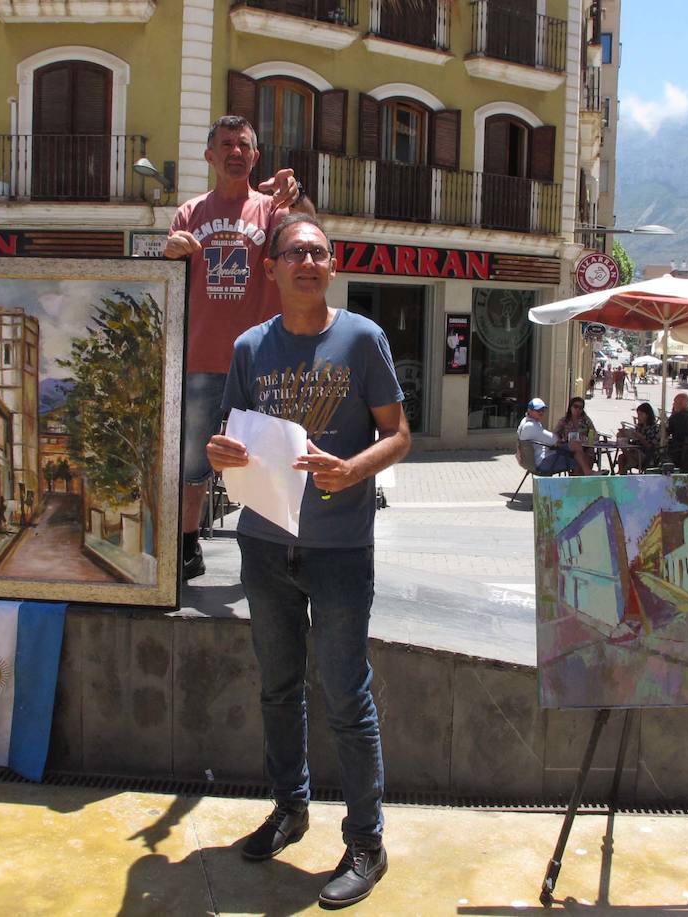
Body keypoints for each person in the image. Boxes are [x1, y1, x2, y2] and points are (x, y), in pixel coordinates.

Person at [206, 214, 409, 908]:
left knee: (347, 697)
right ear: (271, 268)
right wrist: (218, 454)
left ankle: (367, 841)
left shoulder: (362, 338)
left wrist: (351, 469)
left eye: (318, 252)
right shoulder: (248, 347)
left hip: (341, 550)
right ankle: (290, 808)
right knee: (277, 689)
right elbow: (228, 436)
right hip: (265, 546)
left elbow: (400, 433)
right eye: (294, 251)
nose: (306, 261)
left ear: (332, 265)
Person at [165, 114, 312, 581]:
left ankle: (275, 554)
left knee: (271, 459)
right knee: (193, 461)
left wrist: (296, 193)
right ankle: (187, 546)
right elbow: (171, 280)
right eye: (226, 144)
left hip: (261, 362)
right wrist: (167, 252)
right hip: (202, 359)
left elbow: (308, 237)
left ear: (254, 156)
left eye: (243, 145)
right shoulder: (189, 214)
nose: (234, 152)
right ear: (210, 156)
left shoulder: (271, 211)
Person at [517, 397, 576, 474]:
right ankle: (581, 480)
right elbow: (554, 439)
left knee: (572, 450)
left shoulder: (524, 421)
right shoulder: (531, 426)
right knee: (577, 462)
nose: (541, 412)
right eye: (538, 410)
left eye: (543, 410)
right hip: (542, 462)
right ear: (530, 411)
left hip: (536, 460)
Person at [553, 395, 598, 476]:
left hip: (585, 448)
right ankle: (582, 477)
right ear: (570, 407)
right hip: (570, 451)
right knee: (577, 460)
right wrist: (561, 440)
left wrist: (587, 439)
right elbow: (555, 434)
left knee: (586, 457)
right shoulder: (564, 421)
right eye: (575, 406)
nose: (578, 409)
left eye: (580, 408)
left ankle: (578, 481)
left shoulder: (586, 420)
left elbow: (594, 434)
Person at [615, 402, 660, 472]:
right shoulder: (639, 427)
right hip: (635, 452)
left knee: (626, 457)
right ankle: (622, 475)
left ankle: (625, 468)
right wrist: (626, 436)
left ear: (647, 415)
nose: (638, 417)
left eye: (641, 414)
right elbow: (634, 443)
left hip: (647, 455)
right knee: (621, 457)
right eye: (638, 414)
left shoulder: (654, 428)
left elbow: (651, 447)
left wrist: (640, 437)